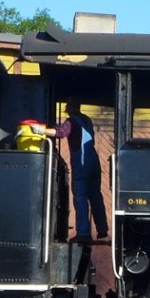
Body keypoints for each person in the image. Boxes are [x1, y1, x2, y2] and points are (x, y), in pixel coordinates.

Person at [46, 99, 109, 243]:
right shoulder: (87, 119)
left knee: (80, 197)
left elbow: (62, 132)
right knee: (95, 196)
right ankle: (102, 229)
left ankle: (83, 233)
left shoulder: (71, 121)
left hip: (81, 162)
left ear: (70, 108)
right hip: (94, 162)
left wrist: (41, 130)